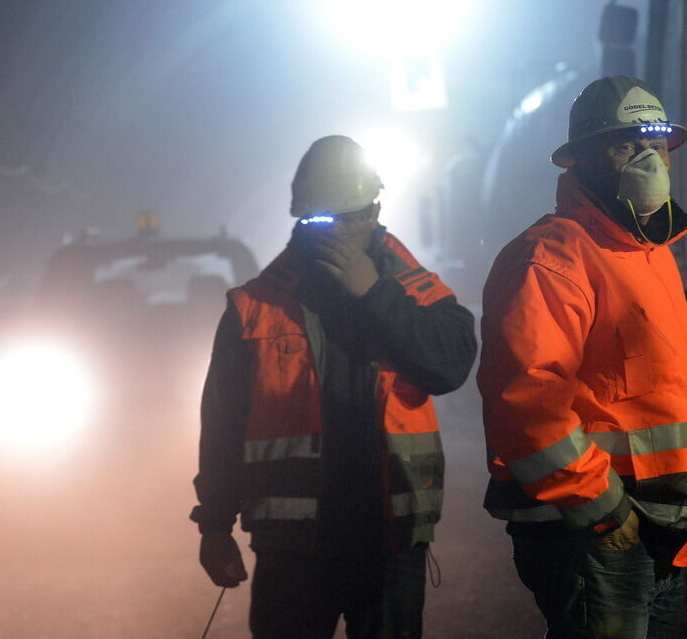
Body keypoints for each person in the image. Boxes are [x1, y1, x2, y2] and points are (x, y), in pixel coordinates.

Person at [191, 135, 477, 639]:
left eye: (351, 218)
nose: (337, 233)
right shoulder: (255, 307)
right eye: (322, 220)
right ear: (301, 218)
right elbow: (222, 426)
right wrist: (214, 525)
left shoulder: (414, 292)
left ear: (375, 213)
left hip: (388, 542)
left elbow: (450, 368)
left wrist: (375, 293)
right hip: (292, 551)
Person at [478, 76, 687, 638]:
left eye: (657, 144)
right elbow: (528, 404)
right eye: (626, 146)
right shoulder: (551, 257)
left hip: (653, 531)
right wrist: (601, 509)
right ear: (582, 159)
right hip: (595, 533)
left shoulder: (649, 255)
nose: (648, 160)